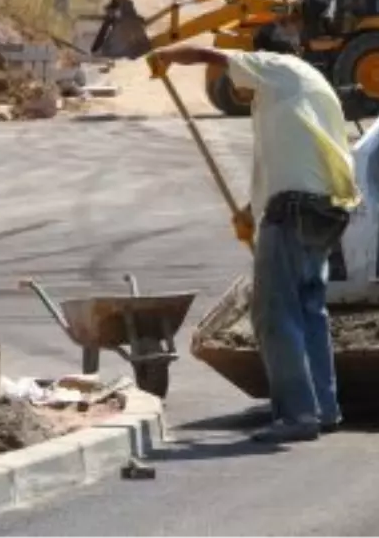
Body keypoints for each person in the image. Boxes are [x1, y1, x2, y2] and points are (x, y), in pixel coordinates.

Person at [152, 25, 359, 443]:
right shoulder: (304, 91)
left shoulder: (278, 67)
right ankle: (322, 407)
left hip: (294, 213)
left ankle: (297, 415)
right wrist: (251, 210)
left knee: (274, 314)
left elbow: (211, 54)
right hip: (322, 211)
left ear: (262, 55)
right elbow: (286, 162)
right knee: (308, 311)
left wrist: (168, 53)